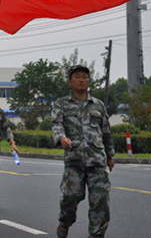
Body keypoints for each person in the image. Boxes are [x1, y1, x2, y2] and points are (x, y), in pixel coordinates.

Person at [51, 65, 115, 238]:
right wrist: (61, 138)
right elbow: (56, 124)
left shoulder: (98, 105)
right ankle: (65, 222)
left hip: (97, 162)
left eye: (85, 77)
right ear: (70, 81)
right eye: (77, 76)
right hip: (74, 162)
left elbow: (106, 131)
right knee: (70, 197)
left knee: (100, 201)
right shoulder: (61, 104)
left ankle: (96, 235)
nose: (81, 80)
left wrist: (110, 156)